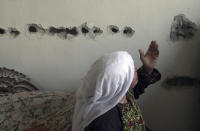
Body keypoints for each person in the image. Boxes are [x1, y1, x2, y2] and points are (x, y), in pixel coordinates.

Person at [72, 41, 161, 131]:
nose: (137, 69)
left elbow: (135, 88)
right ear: (120, 83)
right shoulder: (105, 121)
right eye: (132, 71)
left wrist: (147, 69)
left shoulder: (120, 94)